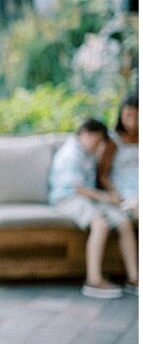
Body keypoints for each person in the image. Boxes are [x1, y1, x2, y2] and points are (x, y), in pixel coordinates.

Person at [49, 118, 138, 297]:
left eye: (100, 142)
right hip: (68, 198)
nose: (97, 145)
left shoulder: (88, 153)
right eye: (96, 141)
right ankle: (94, 280)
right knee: (100, 224)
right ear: (85, 134)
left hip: (89, 198)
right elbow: (77, 188)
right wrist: (105, 197)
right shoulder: (71, 154)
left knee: (123, 222)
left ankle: (134, 278)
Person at [99, 95, 139, 219]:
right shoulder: (113, 139)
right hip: (124, 191)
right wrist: (114, 193)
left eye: (138, 116)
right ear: (121, 115)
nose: (133, 122)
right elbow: (103, 175)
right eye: (128, 116)